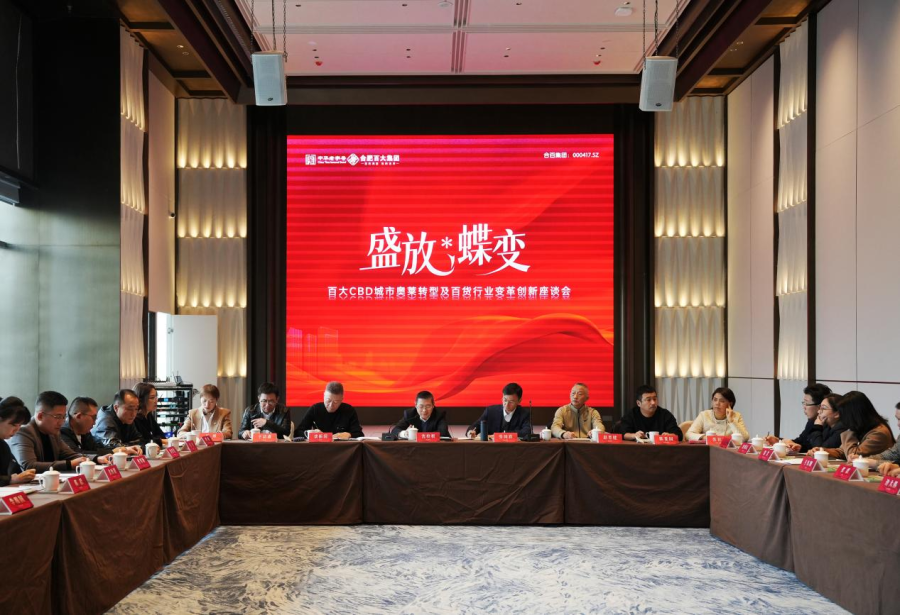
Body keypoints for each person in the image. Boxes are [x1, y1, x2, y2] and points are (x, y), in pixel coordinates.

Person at [9, 391, 89, 472]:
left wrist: (92, 459)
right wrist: (69, 464)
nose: (61, 422)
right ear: (40, 416)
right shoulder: (23, 431)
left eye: (64, 417)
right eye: (57, 417)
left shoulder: (53, 432)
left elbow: (70, 455)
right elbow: (29, 465)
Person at [810, 391, 895, 460]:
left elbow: (852, 455)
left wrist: (849, 430)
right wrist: (822, 451)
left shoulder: (878, 433)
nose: (843, 417)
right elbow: (842, 451)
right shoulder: (861, 427)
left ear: (854, 414)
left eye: (845, 414)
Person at [60, 397, 134, 459]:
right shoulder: (62, 431)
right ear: (79, 416)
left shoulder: (84, 431)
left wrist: (120, 449)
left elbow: (95, 449)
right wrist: (113, 451)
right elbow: (77, 454)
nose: (95, 423)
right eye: (93, 417)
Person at [766, 383, 832, 451]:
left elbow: (819, 450)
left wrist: (817, 426)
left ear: (819, 406)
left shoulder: (830, 425)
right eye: (804, 403)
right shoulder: (811, 421)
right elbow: (800, 442)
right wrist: (779, 441)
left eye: (807, 403)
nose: (804, 407)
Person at [295, 381, 364, 440]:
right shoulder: (315, 409)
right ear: (324, 395)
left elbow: (359, 434)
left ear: (342, 399)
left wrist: (349, 434)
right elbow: (298, 432)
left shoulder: (349, 410)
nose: (331, 405)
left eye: (336, 402)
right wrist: (309, 433)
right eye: (328, 400)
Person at [466, 383, 532, 440]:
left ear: (519, 401)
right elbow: (476, 425)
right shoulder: (491, 411)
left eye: (511, 402)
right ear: (502, 398)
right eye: (505, 400)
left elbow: (526, 432)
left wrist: (503, 435)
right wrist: (471, 432)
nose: (506, 404)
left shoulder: (524, 414)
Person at [615, 385, 683, 441]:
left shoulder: (665, 415)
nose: (653, 403)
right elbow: (622, 434)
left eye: (654, 399)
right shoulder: (631, 415)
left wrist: (670, 435)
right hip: (637, 450)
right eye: (648, 400)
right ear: (638, 403)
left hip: (661, 450)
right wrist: (634, 435)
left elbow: (679, 435)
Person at [855, 402, 900, 475]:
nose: (898, 424)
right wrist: (865, 460)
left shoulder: (879, 431)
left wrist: (873, 463)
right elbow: (891, 454)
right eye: (898, 419)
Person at [0, 397, 37, 486]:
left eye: (19, 425)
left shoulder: (3, 446)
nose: (16, 430)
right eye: (14, 425)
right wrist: (11, 479)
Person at [133, 382, 165, 447]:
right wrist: (158, 440)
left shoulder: (148, 414)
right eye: (152, 397)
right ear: (141, 400)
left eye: (156, 397)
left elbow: (161, 435)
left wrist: (156, 440)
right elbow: (142, 442)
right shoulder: (133, 419)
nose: (156, 400)